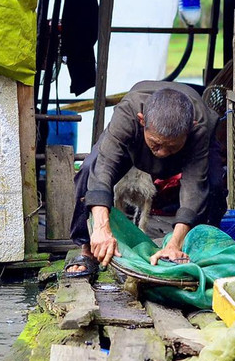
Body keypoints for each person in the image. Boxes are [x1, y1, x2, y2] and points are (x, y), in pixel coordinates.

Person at [63, 81, 219, 278]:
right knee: (88, 169)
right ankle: (88, 249)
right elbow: (104, 167)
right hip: (134, 144)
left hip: (189, 146)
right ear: (142, 120)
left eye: (170, 147)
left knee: (214, 186)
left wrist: (173, 244)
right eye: (156, 144)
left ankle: (197, 249)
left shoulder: (199, 125)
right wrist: (101, 228)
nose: (162, 153)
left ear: (191, 129)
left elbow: (194, 185)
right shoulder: (128, 113)